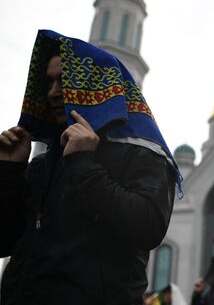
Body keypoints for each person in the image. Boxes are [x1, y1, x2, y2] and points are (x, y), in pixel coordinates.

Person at [0, 30, 178, 304]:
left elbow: (147, 227)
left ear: (98, 83)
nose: (53, 93)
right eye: (49, 82)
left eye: (65, 80)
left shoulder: (141, 154)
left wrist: (83, 163)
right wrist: (10, 172)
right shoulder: (42, 163)